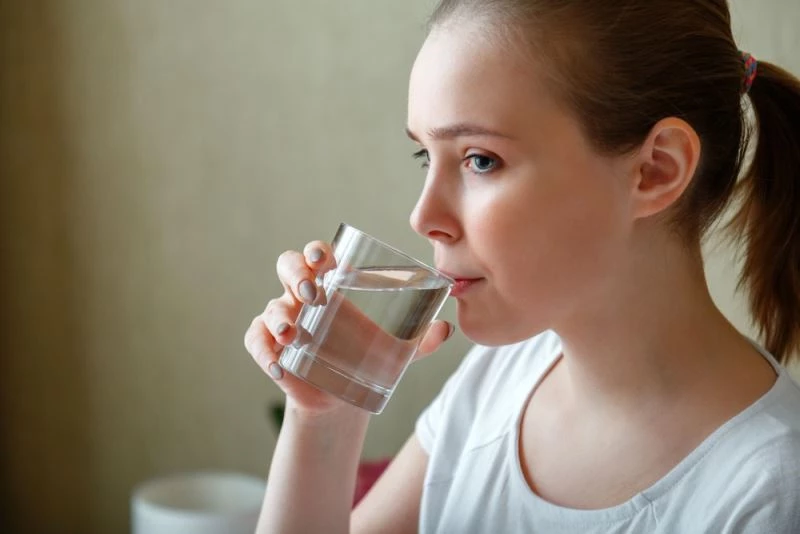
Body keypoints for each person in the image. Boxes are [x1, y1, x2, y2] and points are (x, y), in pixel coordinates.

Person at [243, 0, 800, 532]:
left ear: (656, 169)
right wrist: (326, 417)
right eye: (424, 156)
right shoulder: (499, 380)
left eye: (480, 160)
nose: (423, 217)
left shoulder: (768, 495)